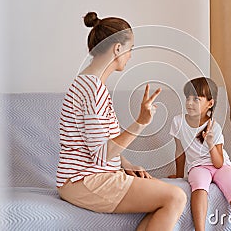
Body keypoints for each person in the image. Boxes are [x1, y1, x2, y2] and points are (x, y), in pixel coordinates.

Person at [56, 12, 187, 231]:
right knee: (176, 197)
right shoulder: (93, 89)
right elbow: (102, 154)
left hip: (81, 179)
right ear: (117, 48)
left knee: (163, 194)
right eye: (131, 48)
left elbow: (98, 144)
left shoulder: (89, 83)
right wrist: (141, 122)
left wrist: (125, 165)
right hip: (85, 181)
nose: (130, 55)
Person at [169, 77, 231, 231]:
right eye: (188, 98)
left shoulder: (214, 127)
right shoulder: (178, 122)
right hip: (198, 167)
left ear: (210, 103)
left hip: (220, 165)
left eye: (196, 99)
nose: (190, 103)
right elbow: (180, 152)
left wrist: (210, 143)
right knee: (199, 189)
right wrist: (178, 175)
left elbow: (218, 163)